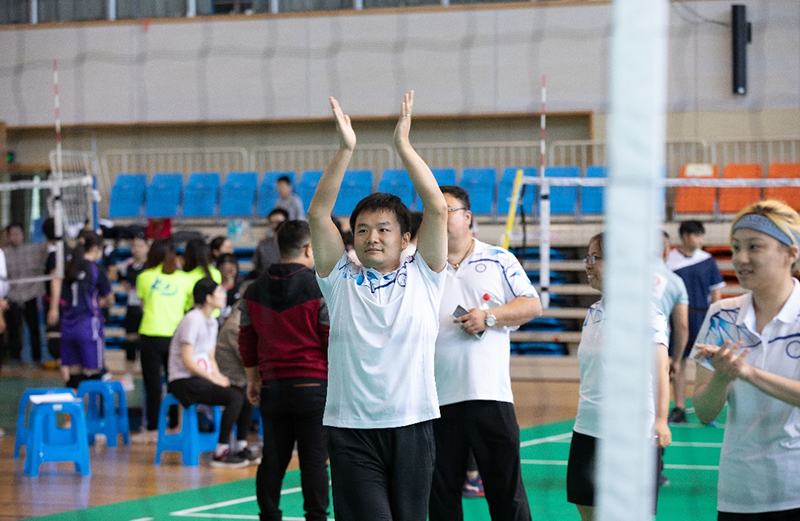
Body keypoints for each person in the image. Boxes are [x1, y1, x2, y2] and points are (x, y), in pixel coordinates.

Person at [308, 91, 448, 521]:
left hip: (412, 426)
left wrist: (403, 146)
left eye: (384, 229)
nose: (372, 237)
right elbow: (318, 215)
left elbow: (437, 208)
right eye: (363, 230)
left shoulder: (425, 275)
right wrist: (345, 149)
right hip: (351, 430)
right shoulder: (340, 279)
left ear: (405, 239)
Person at [429, 185, 541, 521]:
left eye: (447, 210)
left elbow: (532, 305)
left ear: (467, 217)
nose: (439, 216)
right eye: (434, 211)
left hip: (490, 397)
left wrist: (489, 317)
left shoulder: (499, 259)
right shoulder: (420, 265)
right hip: (434, 401)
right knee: (441, 500)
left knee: (507, 496)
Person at [691, 200, 800, 519]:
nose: (740, 258)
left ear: (790, 253)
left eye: (754, 246)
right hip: (739, 492)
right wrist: (722, 378)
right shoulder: (720, 315)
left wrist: (747, 372)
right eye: (736, 247)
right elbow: (704, 412)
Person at [566, 233, 672, 521]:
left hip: (632, 433)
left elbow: (661, 369)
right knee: (588, 510)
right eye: (587, 258)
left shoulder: (644, 313)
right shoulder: (593, 312)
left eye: (595, 257)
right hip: (588, 427)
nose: (588, 265)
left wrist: (661, 420)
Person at [239, 219, 330, 521]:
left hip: (272, 387)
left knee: (273, 459)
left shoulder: (253, 289)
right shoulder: (319, 287)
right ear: (309, 249)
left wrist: (253, 380)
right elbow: (329, 338)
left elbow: (246, 340)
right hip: (313, 385)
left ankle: (269, 515)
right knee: (314, 461)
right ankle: (316, 517)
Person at [167, 277, 258, 468]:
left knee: (245, 395)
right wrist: (213, 379)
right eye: (219, 292)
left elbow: (210, 358)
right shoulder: (192, 319)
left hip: (201, 377)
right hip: (183, 380)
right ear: (208, 298)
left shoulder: (212, 322)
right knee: (234, 397)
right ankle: (221, 452)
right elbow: (187, 360)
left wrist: (218, 377)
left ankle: (240, 446)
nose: (224, 295)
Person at [133, 238, 194, 444]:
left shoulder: (144, 277)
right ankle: (175, 425)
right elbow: (188, 307)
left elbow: (143, 306)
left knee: (152, 385)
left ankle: (153, 428)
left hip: (150, 334)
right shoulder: (185, 279)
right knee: (174, 381)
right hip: (175, 336)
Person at [665, 220, 726, 423]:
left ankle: (708, 409)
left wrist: (715, 320)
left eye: (702, 235)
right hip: (678, 317)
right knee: (678, 362)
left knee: (707, 363)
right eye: (697, 235)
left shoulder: (707, 260)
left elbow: (715, 292)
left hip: (703, 317)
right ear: (684, 236)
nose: (701, 239)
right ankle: (679, 408)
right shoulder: (670, 260)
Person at [652, 230, 689, 487]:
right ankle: (655, 471)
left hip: (621, 354)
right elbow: (682, 326)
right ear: (667, 251)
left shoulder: (622, 277)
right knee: (656, 412)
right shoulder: (675, 281)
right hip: (656, 353)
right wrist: (676, 360)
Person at [60, 232, 115, 388]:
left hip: (68, 326)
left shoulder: (70, 267)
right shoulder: (96, 269)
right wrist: (98, 303)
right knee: (93, 373)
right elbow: (110, 299)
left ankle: (74, 404)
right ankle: (92, 404)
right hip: (88, 326)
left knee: (74, 375)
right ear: (95, 248)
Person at [2, 223, 47, 366]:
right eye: (12, 234)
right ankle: (15, 358)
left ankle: (36, 359)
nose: (15, 237)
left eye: (18, 233)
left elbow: (50, 246)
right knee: (14, 329)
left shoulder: (33, 249)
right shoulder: (4, 253)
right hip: (12, 296)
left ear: (22, 235)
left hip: (30, 294)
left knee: (33, 328)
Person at [117, 234, 149, 390]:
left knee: (147, 343)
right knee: (130, 341)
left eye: (140, 245)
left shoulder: (151, 266)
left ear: (147, 248)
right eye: (134, 246)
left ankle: (148, 375)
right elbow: (120, 277)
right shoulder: (127, 265)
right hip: (133, 307)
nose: (137, 249)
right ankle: (128, 376)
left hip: (148, 308)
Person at [251, 208, 289, 279]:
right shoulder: (263, 245)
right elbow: (256, 267)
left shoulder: (294, 244)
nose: (275, 226)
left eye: (278, 222)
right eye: (272, 223)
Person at [216, 253, 243, 324]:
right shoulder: (214, 290)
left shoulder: (241, 289)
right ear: (218, 269)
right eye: (224, 270)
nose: (228, 274)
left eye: (231, 270)